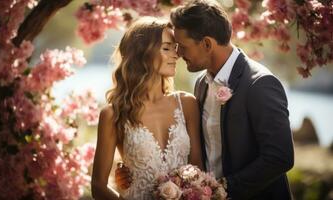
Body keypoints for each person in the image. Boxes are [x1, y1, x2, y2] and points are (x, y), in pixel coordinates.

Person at [116, 0, 295, 199]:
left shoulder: (260, 84)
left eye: (182, 46)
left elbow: (280, 157)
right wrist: (134, 168)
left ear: (207, 44)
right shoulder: (201, 84)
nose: (179, 54)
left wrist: (223, 189)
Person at [91, 16, 204, 200]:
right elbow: (98, 187)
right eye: (166, 48)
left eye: (175, 48)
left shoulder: (187, 104)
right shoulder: (113, 114)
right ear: (143, 52)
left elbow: (198, 170)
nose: (176, 55)